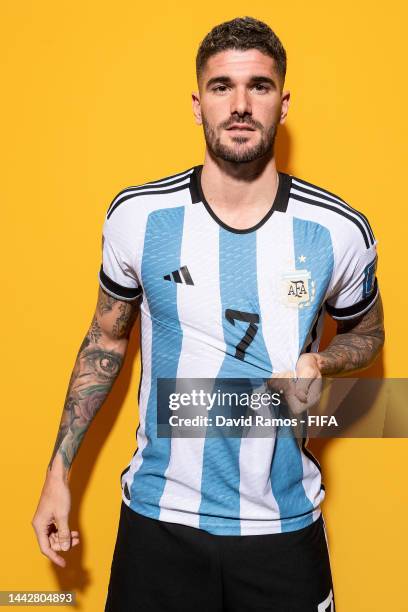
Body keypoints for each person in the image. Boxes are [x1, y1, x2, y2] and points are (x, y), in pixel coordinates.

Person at [32, 16, 385, 612]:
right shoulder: (138, 217)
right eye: (222, 87)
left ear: (283, 102)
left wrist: (322, 359)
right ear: (198, 105)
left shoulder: (337, 230)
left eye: (259, 86)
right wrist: (58, 474)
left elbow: (368, 333)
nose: (240, 105)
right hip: (159, 523)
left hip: (283, 526)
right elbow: (105, 341)